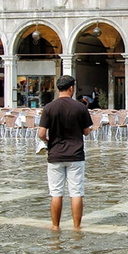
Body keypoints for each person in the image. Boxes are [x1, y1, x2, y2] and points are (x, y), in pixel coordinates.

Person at [38, 75, 93, 230]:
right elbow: (87, 131)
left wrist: (48, 141)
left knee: (56, 193)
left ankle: (55, 226)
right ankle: (77, 227)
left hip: (55, 155)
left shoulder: (49, 107)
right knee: (76, 192)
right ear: (71, 88)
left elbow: (41, 133)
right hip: (75, 155)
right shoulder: (80, 107)